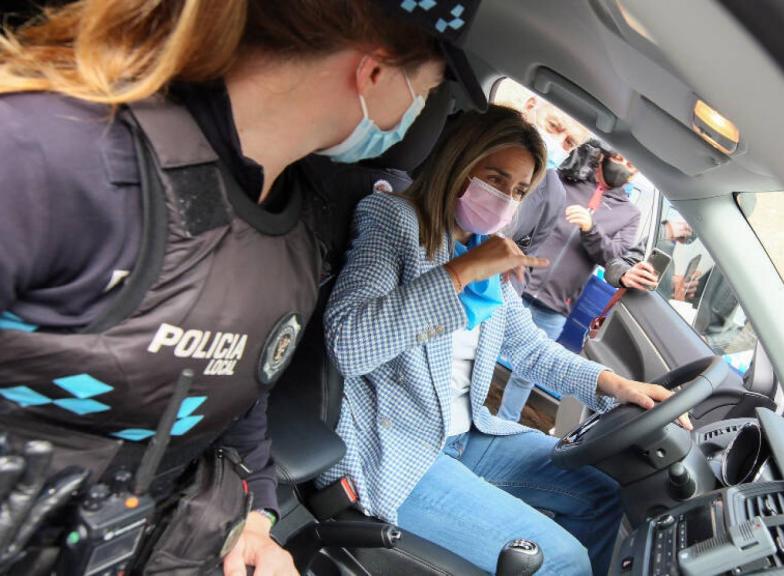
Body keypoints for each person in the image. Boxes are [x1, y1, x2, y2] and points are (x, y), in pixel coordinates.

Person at [0, 0, 482, 572]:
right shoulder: (53, 154)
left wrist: (254, 516)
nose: (421, 114)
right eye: (425, 91)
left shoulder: (295, 227)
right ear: (373, 72)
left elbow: (238, 387)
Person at [322, 106, 686, 576]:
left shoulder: (481, 247)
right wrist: (460, 272)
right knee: (562, 560)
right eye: (494, 178)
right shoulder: (394, 219)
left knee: (606, 492)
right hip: (398, 449)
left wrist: (617, 386)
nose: (504, 199)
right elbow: (349, 344)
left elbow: (531, 350)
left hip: (470, 435)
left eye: (516, 191)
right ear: (458, 162)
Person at [499, 140, 642, 422]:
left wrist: (591, 229)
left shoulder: (630, 214)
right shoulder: (565, 180)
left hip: (557, 304)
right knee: (478, 344)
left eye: (631, 166)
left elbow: (615, 258)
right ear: (604, 156)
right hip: (516, 283)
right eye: (620, 159)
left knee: (527, 373)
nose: (623, 168)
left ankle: (503, 424)